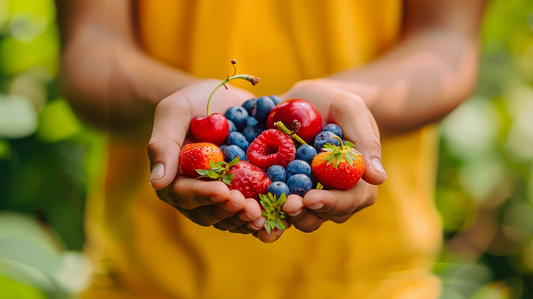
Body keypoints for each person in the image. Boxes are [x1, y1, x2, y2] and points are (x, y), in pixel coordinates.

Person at [55, 0, 487, 298]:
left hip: (373, 281)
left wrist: (353, 102)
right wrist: (179, 101)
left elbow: (447, 39)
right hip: (146, 280)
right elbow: (93, 47)